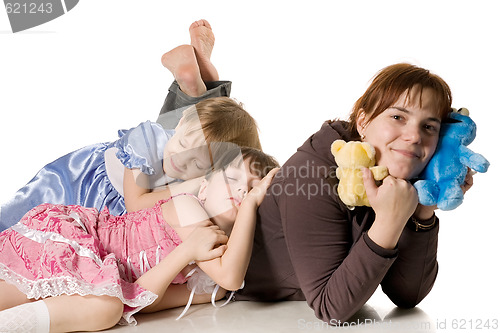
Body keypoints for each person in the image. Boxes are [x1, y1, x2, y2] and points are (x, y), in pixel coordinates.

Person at [156, 55, 475, 323]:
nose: (413, 136)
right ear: (363, 122)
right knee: (174, 158)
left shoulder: (394, 179)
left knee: (221, 152)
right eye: (397, 116)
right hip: (186, 240)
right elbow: (331, 309)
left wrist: (422, 213)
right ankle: (192, 86)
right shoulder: (313, 176)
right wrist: (388, 224)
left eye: (429, 127)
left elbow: (407, 296)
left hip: (233, 211)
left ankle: (201, 87)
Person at [0, 20, 262, 232]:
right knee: (23, 223)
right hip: (84, 189)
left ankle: (197, 87)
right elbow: (136, 205)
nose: (181, 163)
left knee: (210, 135)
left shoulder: (195, 149)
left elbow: (230, 155)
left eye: (197, 164)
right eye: (181, 146)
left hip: (166, 169)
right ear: (181, 122)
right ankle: (198, 87)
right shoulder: (146, 141)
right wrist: (193, 183)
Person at [0, 147, 280, 332]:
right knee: (102, 308)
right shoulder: (187, 206)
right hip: (79, 236)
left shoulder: (210, 281)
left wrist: (186, 256)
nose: (243, 189)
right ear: (204, 188)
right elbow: (230, 276)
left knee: (102, 307)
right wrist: (251, 202)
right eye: (232, 178)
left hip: (101, 281)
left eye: (254, 187)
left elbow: (137, 298)